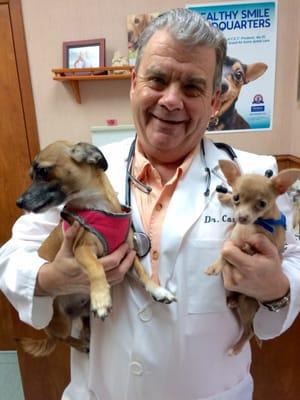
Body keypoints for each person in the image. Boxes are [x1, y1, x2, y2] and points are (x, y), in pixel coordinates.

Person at [1, 8, 300, 400]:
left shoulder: (253, 176)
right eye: (157, 80)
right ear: (133, 84)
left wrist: (279, 288)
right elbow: (12, 256)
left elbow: (292, 258)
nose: (171, 100)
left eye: (192, 88)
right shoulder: (83, 172)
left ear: (214, 102)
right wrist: (50, 278)